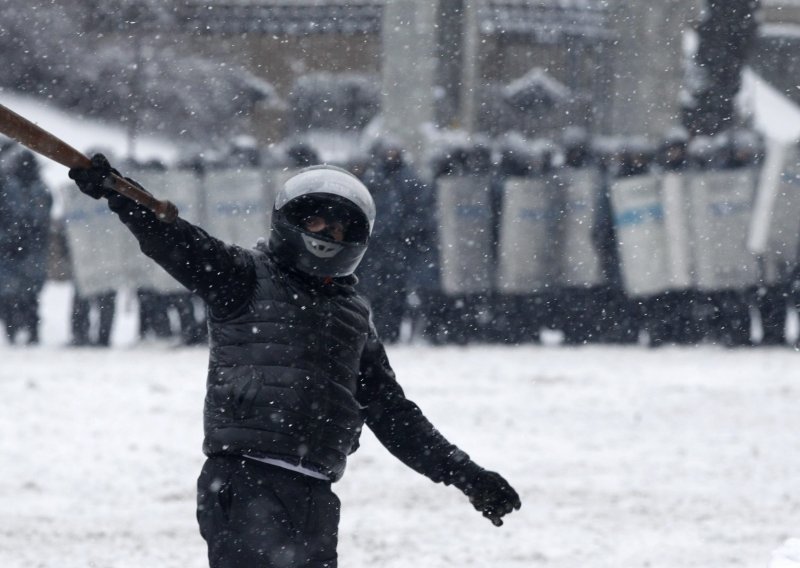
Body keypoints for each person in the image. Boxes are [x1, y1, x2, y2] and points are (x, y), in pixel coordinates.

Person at [69, 154, 521, 568]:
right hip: (246, 478)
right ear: (292, 221)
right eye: (319, 223)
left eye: (341, 230)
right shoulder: (242, 276)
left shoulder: (354, 315)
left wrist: (467, 475)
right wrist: (119, 193)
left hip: (315, 491)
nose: (329, 236)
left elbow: (393, 413)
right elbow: (179, 241)